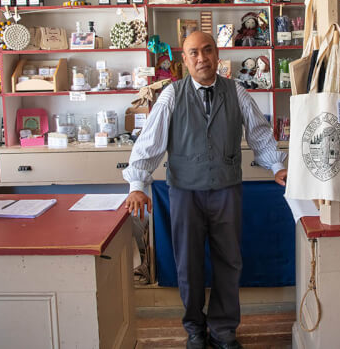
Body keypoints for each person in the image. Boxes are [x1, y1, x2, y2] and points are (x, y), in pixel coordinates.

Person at [123, 31, 287, 349]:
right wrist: (137, 183)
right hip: (185, 191)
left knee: (229, 260)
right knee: (188, 262)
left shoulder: (236, 91)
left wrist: (276, 165)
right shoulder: (172, 95)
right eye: (194, 52)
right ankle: (195, 329)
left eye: (207, 50)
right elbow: (150, 142)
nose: (202, 58)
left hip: (226, 189)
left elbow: (259, 131)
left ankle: (224, 331)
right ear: (184, 60)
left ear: (217, 55)